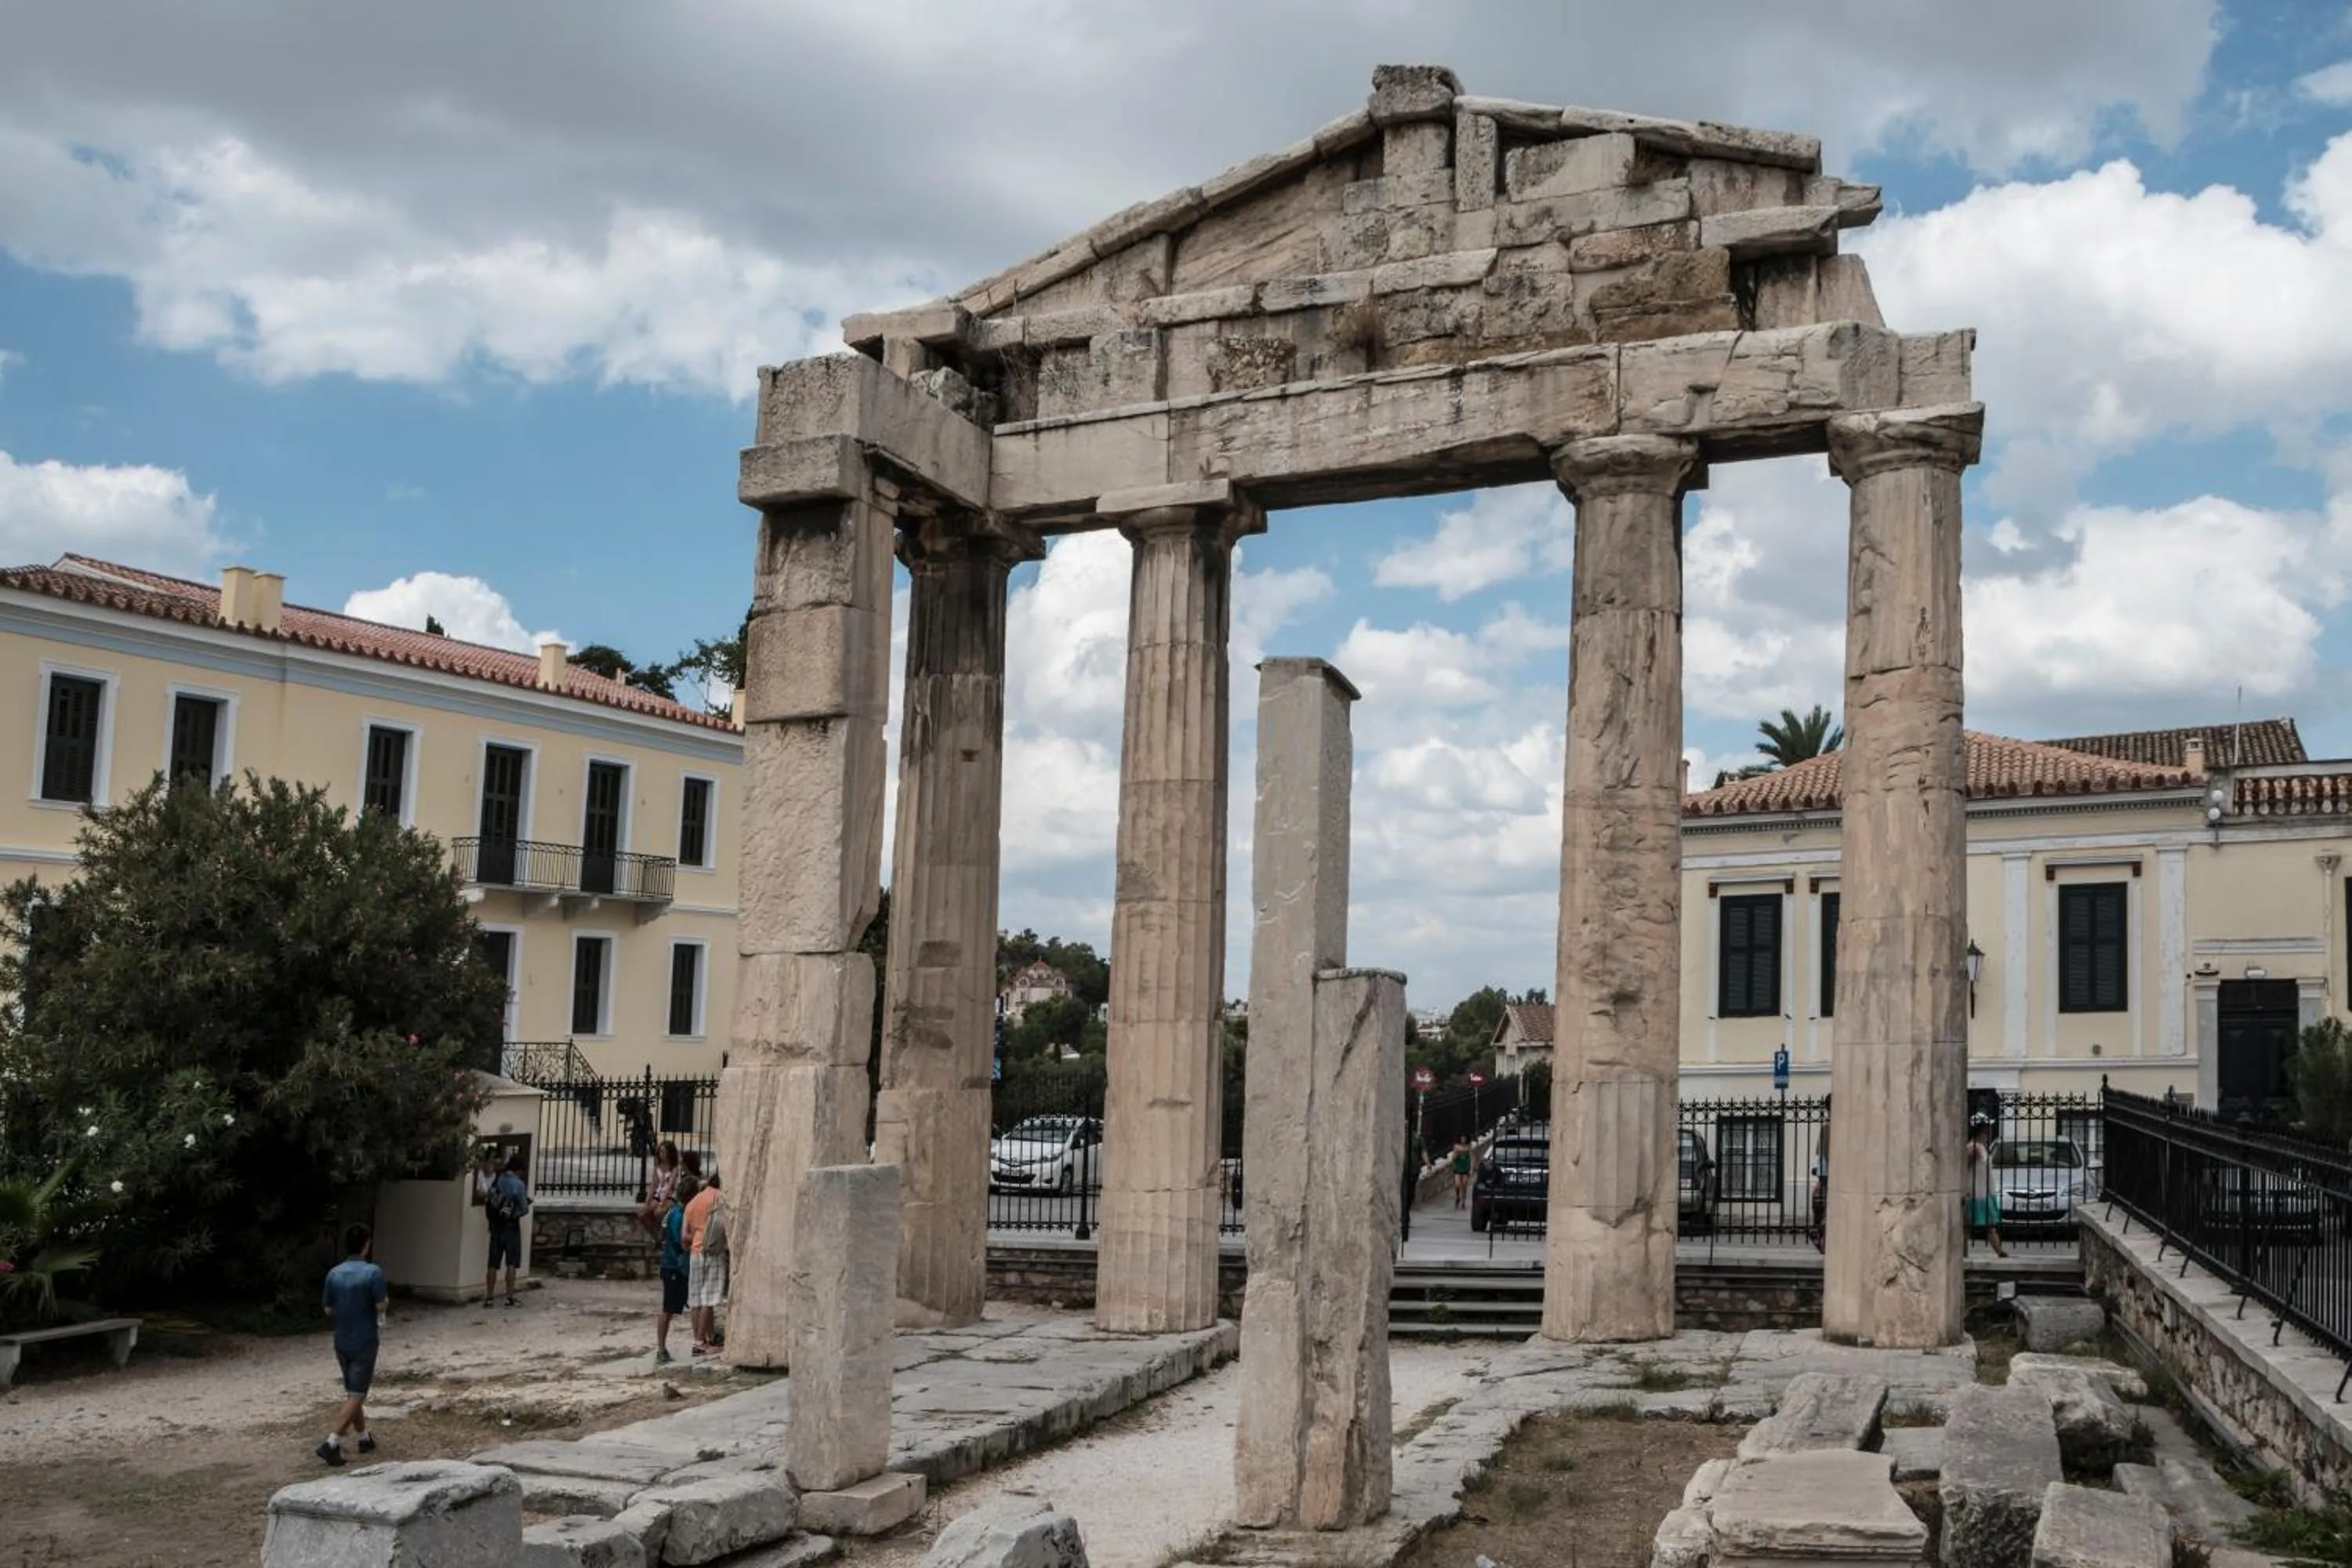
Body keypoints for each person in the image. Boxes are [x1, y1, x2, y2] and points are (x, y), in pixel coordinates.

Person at [318, 1222, 388, 1466]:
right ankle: (331, 1442)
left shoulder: (334, 1274)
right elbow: (380, 1305)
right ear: (366, 1245)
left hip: (341, 1338)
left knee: (352, 1391)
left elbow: (328, 1309)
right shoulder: (373, 1272)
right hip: (364, 1338)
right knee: (358, 1393)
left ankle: (364, 1437)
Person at [656, 1174, 699, 1364]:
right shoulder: (679, 1216)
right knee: (669, 1309)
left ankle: (700, 1339)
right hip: (674, 1266)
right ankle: (661, 1348)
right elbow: (681, 1242)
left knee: (693, 1303)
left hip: (671, 1264)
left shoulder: (673, 1211)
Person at [683, 1170, 724, 1356]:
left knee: (695, 1299)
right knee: (709, 1298)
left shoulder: (693, 1202)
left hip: (695, 1252)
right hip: (712, 1250)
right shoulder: (720, 1197)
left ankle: (698, 1340)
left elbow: (684, 1235)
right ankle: (702, 1341)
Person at [485, 1152, 532, 1308]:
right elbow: (524, 1209)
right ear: (519, 1169)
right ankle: (509, 1297)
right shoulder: (518, 1184)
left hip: (496, 1225)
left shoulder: (499, 1179)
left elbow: (491, 1198)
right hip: (511, 1227)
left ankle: (489, 1297)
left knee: (493, 1263)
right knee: (511, 1263)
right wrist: (513, 1212)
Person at [1966, 1112, 2009, 1259]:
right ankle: (1999, 1251)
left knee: (1988, 1224)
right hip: (1976, 1192)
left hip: (1984, 1191)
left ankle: (1999, 1251)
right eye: (1986, 1129)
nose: (1988, 1132)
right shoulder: (1973, 1148)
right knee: (1972, 1225)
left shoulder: (1982, 1147)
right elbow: (1964, 1168)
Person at [637, 1140, 681, 1237]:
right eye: (660, 1152)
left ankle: (664, 1234)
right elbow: (653, 1185)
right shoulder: (657, 1168)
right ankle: (655, 1235)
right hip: (658, 1195)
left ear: (669, 1154)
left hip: (669, 1196)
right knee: (642, 1214)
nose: (661, 1154)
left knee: (659, 1213)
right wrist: (647, 1202)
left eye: (663, 1152)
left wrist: (662, 1202)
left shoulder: (674, 1168)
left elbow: (670, 1186)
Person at [1809, 1095, 1832, 1252]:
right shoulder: (1829, 1127)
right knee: (1826, 1209)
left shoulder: (1827, 1127)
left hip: (1825, 1175)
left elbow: (1820, 1156)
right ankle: (1820, 1236)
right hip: (1828, 1175)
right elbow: (1824, 1155)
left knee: (1824, 1208)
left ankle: (1820, 1235)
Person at [1449, 1138, 1472, 1210]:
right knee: (1457, 1184)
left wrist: (1471, 1168)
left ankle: (1463, 1202)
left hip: (1465, 1167)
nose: (1463, 1140)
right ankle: (1457, 1196)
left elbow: (1471, 1157)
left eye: (1464, 1138)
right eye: (1462, 1138)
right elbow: (1453, 1158)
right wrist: (1457, 1153)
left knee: (1464, 1184)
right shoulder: (1456, 1146)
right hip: (1458, 1167)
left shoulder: (1469, 1147)